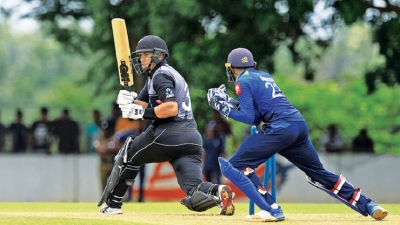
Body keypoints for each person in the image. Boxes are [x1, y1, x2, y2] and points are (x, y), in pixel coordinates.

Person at [206, 48, 388, 222]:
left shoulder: (242, 81)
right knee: (318, 173)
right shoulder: (264, 76)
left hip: (279, 128)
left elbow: (250, 118)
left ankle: (271, 209)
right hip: (298, 125)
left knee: (236, 165)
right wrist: (229, 102)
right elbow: (258, 113)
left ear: (232, 67)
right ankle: (368, 204)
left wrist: (223, 108)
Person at [98, 35, 235, 216]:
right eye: (141, 55)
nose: (142, 58)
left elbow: (171, 108)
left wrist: (138, 112)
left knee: (129, 154)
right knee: (195, 188)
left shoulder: (161, 76)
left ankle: (113, 204)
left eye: (146, 54)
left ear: (160, 55)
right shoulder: (158, 75)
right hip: (191, 138)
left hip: (169, 132)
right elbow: (139, 105)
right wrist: (128, 102)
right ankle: (219, 192)